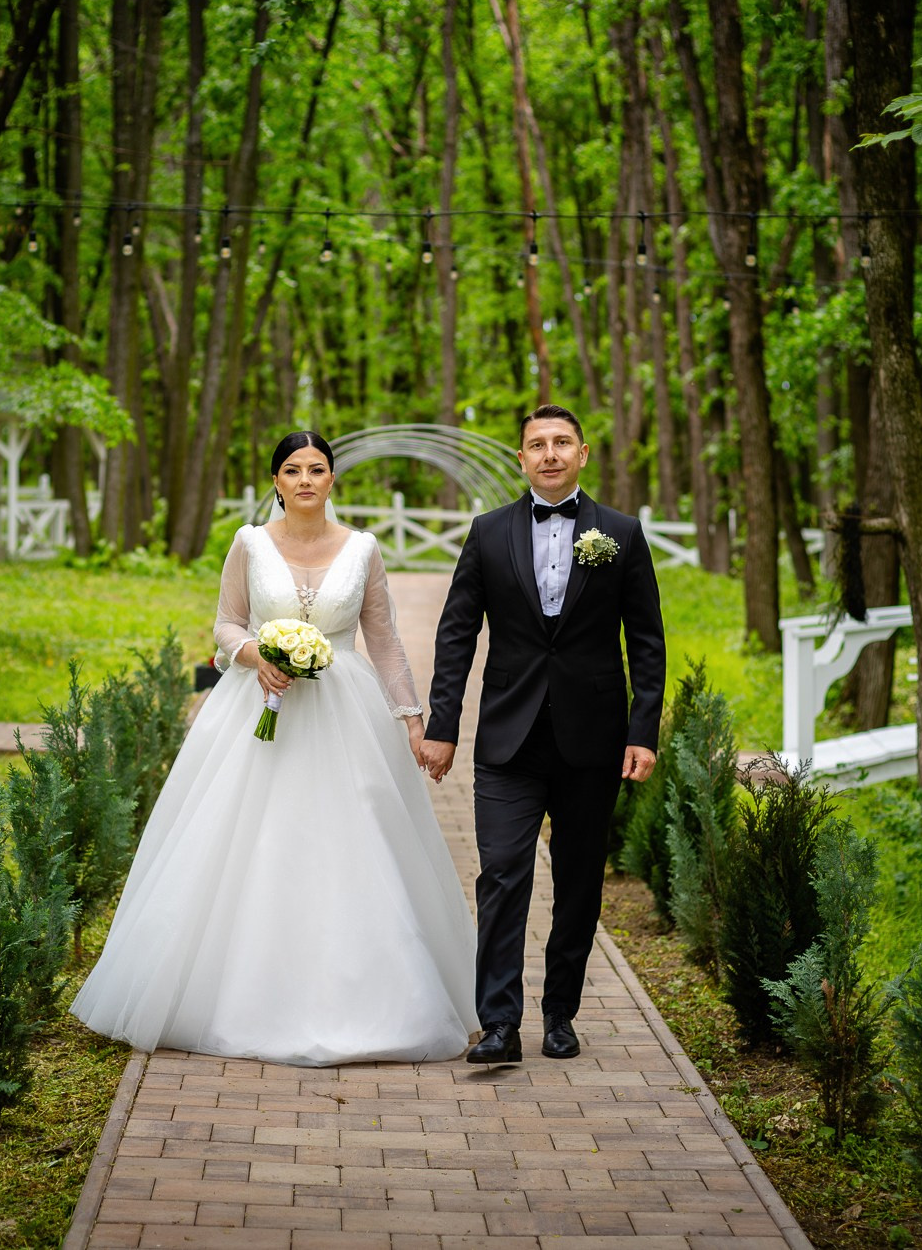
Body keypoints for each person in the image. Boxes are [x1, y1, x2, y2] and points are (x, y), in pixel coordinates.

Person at [71, 432, 478, 1066]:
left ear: (333, 479)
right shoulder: (249, 543)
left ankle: (369, 1001)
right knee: (243, 841)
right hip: (255, 711)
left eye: (318, 469)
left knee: (353, 843)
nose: (306, 480)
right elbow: (225, 622)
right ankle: (229, 995)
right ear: (277, 480)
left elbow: (386, 641)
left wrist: (413, 722)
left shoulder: (364, 549)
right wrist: (256, 653)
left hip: (346, 713)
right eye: (293, 470)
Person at [419, 404, 667, 1064]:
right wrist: (442, 726)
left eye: (561, 442)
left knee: (580, 880)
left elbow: (645, 640)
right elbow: (455, 633)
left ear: (583, 453)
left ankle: (561, 1012)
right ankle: (499, 1023)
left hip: (594, 739)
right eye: (537, 444)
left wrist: (643, 730)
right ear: (521, 457)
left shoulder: (622, 533)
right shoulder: (488, 532)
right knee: (502, 874)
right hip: (508, 738)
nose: (550, 453)